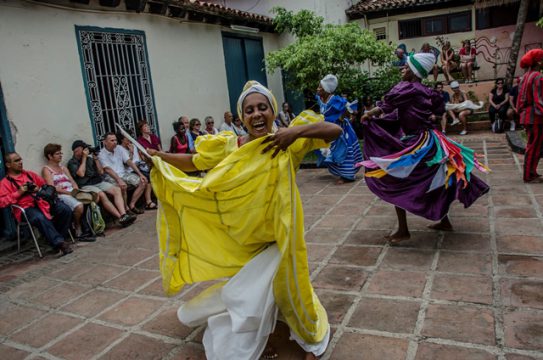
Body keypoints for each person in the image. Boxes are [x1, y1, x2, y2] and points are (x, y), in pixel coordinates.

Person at [146, 80, 342, 360]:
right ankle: (265, 338)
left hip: (280, 235)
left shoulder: (287, 141)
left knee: (286, 285)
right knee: (253, 295)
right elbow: (194, 162)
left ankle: (310, 337)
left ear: (273, 111)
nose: (256, 114)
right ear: (241, 117)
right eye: (249, 110)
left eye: (263, 107)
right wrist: (160, 157)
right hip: (247, 236)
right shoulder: (232, 145)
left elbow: (334, 131)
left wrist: (296, 132)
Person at [359, 52, 489, 244]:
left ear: (413, 72)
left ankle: (403, 230)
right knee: (438, 179)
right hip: (431, 142)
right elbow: (438, 109)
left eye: (406, 67)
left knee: (396, 180)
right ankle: (444, 221)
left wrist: (368, 114)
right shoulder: (428, 91)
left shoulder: (405, 88)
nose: (402, 70)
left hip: (417, 144)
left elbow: (386, 106)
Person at [0, 152, 73, 255]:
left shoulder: (30, 175)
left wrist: (37, 189)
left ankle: (57, 240)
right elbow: (2, 202)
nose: (20, 162)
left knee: (65, 209)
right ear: (8, 165)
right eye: (16, 161)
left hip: (41, 202)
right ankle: (59, 243)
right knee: (39, 217)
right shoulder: (5, 183)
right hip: (25, 208)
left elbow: (45, 186)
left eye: (20, 159)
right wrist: (19, 192)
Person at [68, 140, 136, 227]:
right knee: (101, 194)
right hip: (86, 185)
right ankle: (120, 218)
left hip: (97, 182)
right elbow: (81, 174)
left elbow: (101, 172)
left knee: (117, 190)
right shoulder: (72, 162)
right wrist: (84, 158)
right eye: (83, 148)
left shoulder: (89, 159)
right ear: (76, 150)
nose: (86, 150)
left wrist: (96, 159)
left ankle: (124, 214)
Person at [316, 74, 363, 184]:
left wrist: (343, 117)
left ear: (327, 90)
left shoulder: (335, 100)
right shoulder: (321, 99)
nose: (317, 89)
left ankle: (347, 175)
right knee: (328, 149)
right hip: (328, 129)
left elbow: (348, 109)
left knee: (342, 150)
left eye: (320, 87)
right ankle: (340, 172)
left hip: (340, 130)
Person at [42, 144, 95, 241]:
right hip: (61, 194)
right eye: (58, 154)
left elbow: (72, 181)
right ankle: (77, 225)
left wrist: (75, 190)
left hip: (72, 191)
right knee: (79, 206)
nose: (60, 155)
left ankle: (91, 227)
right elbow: (52, 188)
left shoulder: (63, 168)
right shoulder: (46, 170)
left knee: (92, 198)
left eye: (60, 153)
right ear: (50, 156)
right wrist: (69, 193)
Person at [98, 132, 147, 214]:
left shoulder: (119, 149)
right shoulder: (101, 154)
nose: (115, 142)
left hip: (123, 174)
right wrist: (119, 180)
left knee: (143, 181)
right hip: (111, 177)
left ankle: (132, 205)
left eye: (115, 140)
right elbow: (108, 170)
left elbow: (129, 162)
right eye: (112, 140)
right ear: (105, 142)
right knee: (122, 186)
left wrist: (140, 174)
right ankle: (126, 209)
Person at [517, 48, 543, 183]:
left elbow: (519, 100)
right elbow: (539, 100)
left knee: (534, 145)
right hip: (535, 117)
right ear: (538, 61)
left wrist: (519, 112)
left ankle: (532, 173)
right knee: (534, 146)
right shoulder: (538, 76)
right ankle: (528, 175)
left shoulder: (524, 77)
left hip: (526, 116)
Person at [117, 132, 157, 210]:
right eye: (127, 138)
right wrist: (131, 152)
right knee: (145, 179)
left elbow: (138, 159)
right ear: (122, 140)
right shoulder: (119, 148)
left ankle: (149, 201)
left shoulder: (133, 146)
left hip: (138, 167)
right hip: (129, 171)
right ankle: (136, 204)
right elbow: (127, 164)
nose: (129, 140)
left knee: (151, 175)